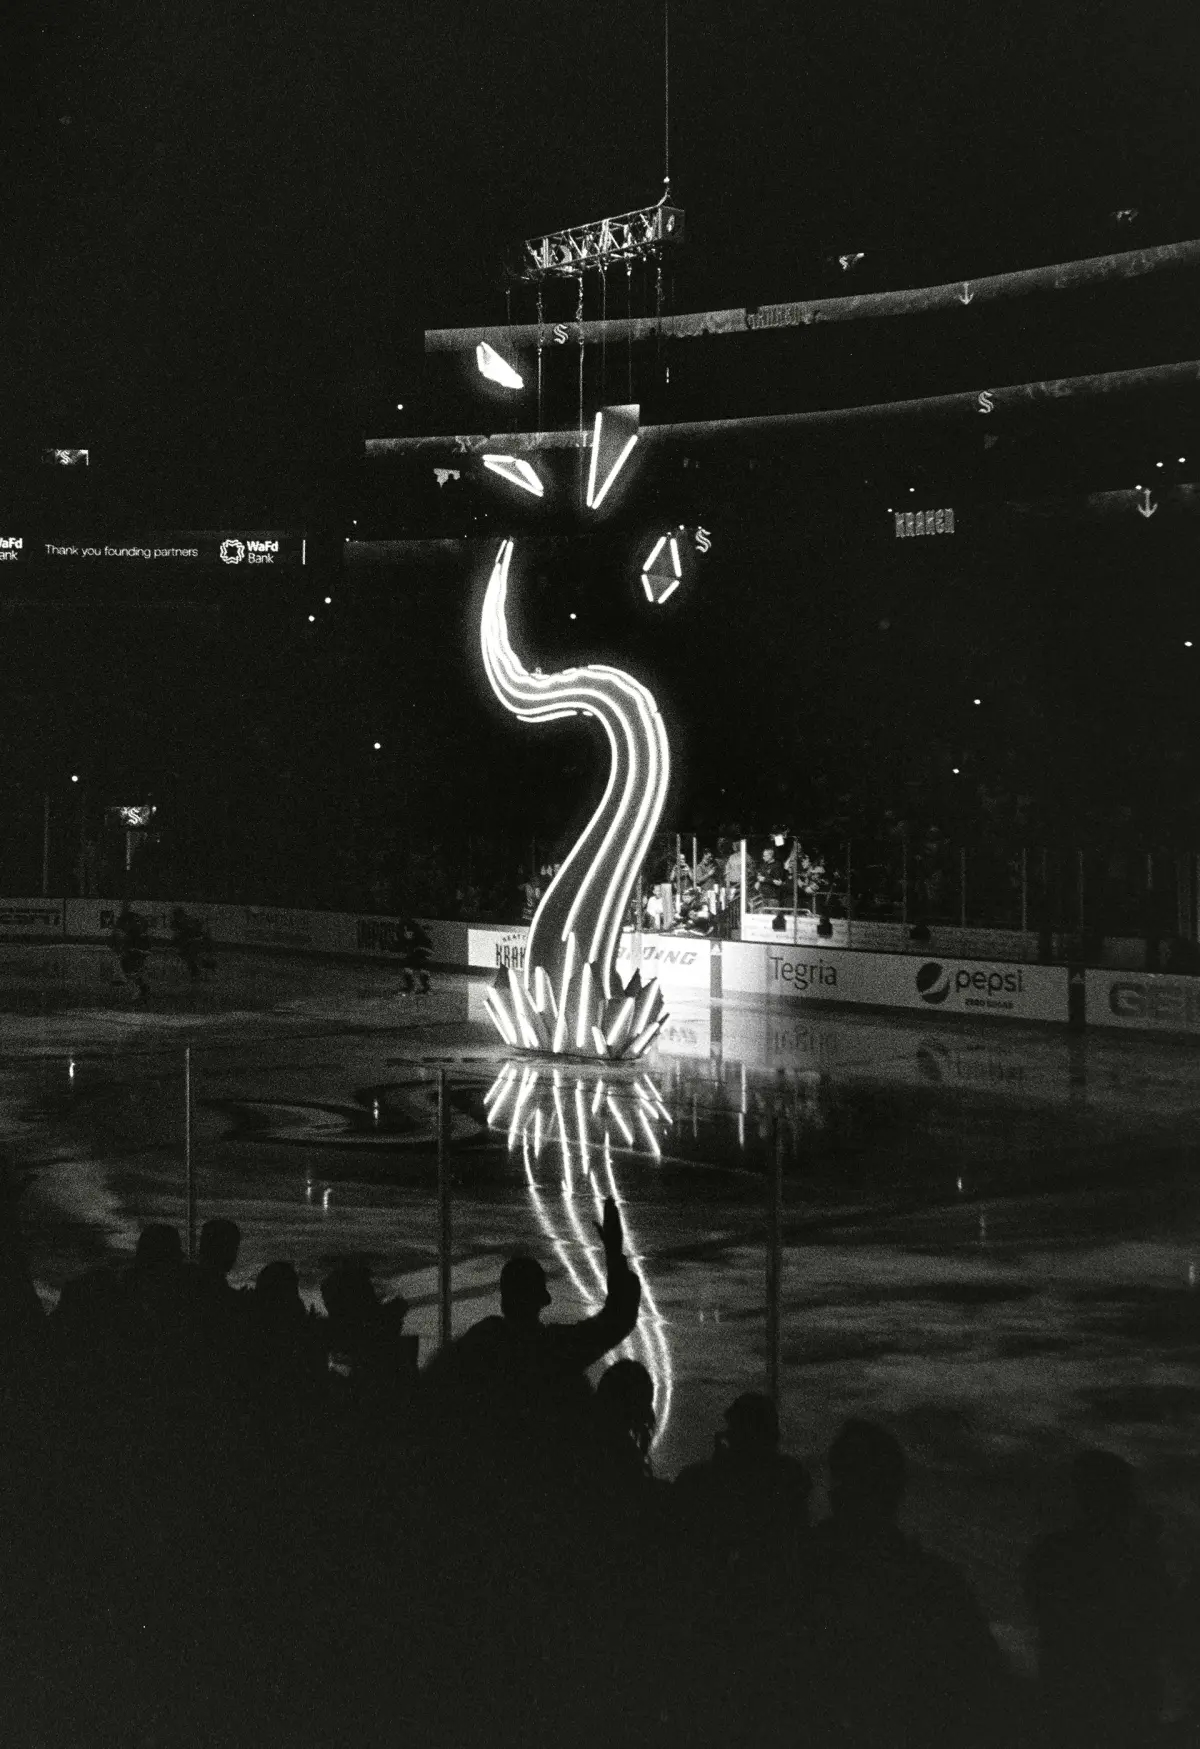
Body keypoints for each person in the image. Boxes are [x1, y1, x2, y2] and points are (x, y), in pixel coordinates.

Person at [806, 1417, 1014, 1748]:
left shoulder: (797, 1571)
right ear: (896, 1490)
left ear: (837, 1491)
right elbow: (987, 1685)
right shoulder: (936, 1583)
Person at [423, 1195, 641, 1460]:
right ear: (543, 1300)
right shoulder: (554, 1349)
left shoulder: (481, 1343)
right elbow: (618, 1320)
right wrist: (615, 1257)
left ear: (504, 1298)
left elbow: (433, 1387)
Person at [1024, 1450, 1173, 1748]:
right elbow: (1161, 1627)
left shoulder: (1050, 1553)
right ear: (1124, 1502)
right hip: (1125, 1710)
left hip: (1065, 1703)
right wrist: (1148, 1554)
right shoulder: (1135, 1562)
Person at [111, 904, 150, 1003]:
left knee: (132, 974)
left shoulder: (135, 930)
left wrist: (134, 950)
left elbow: (140, 945)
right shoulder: (126, 927)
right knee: (131, 974)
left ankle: (140, 992)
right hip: (130, 954)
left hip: (134, 954)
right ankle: (139, 992)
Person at [169, 907, 206, 981]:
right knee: (187, 957)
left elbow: (197, 931)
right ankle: (195, 971)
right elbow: (175, 933)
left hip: (193, 941)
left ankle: (197, 971)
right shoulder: (175, 922)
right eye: (176, 916)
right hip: (185, 942)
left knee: (190, 956)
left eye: (178, 916)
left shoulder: (189, 921)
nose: (177, 918)